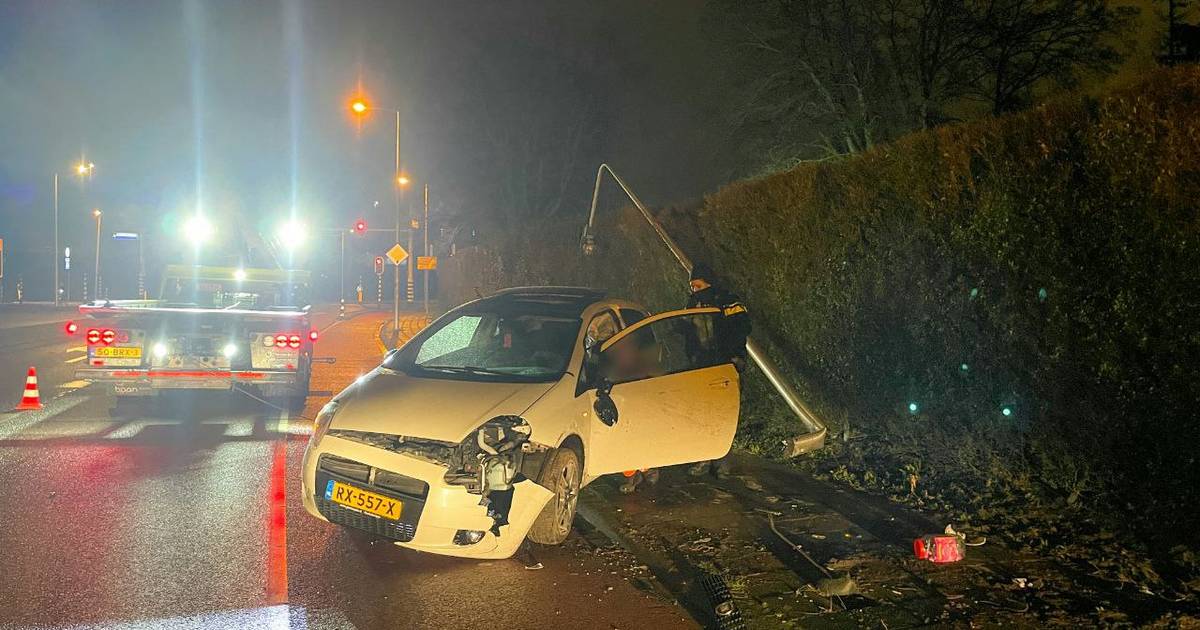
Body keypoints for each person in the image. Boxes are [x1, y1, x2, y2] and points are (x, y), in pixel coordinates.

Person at [685, 263, 751, 479]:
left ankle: (722, 462)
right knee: (702, 413)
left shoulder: (727, 300)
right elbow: (689, 333)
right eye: (692, 286)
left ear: (708, 282)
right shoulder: (692, 304)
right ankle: (703, 458)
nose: (694, 290)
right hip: (702, 366)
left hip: (726, 365)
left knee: (724, 413)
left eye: (698, 285)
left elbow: (741, 327)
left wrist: (734, 356)